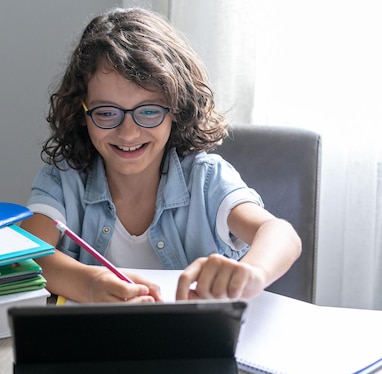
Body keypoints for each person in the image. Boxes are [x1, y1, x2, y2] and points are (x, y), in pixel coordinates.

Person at [21, 7, 301, 303]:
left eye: (149, 111)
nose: (128, 133)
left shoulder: (205, 179)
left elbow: (281, 234)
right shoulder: (64, 179)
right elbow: (28, 256)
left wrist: (253, 272)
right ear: (82, 112)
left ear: (176, 110)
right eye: (106, 113)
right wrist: (91, 284)